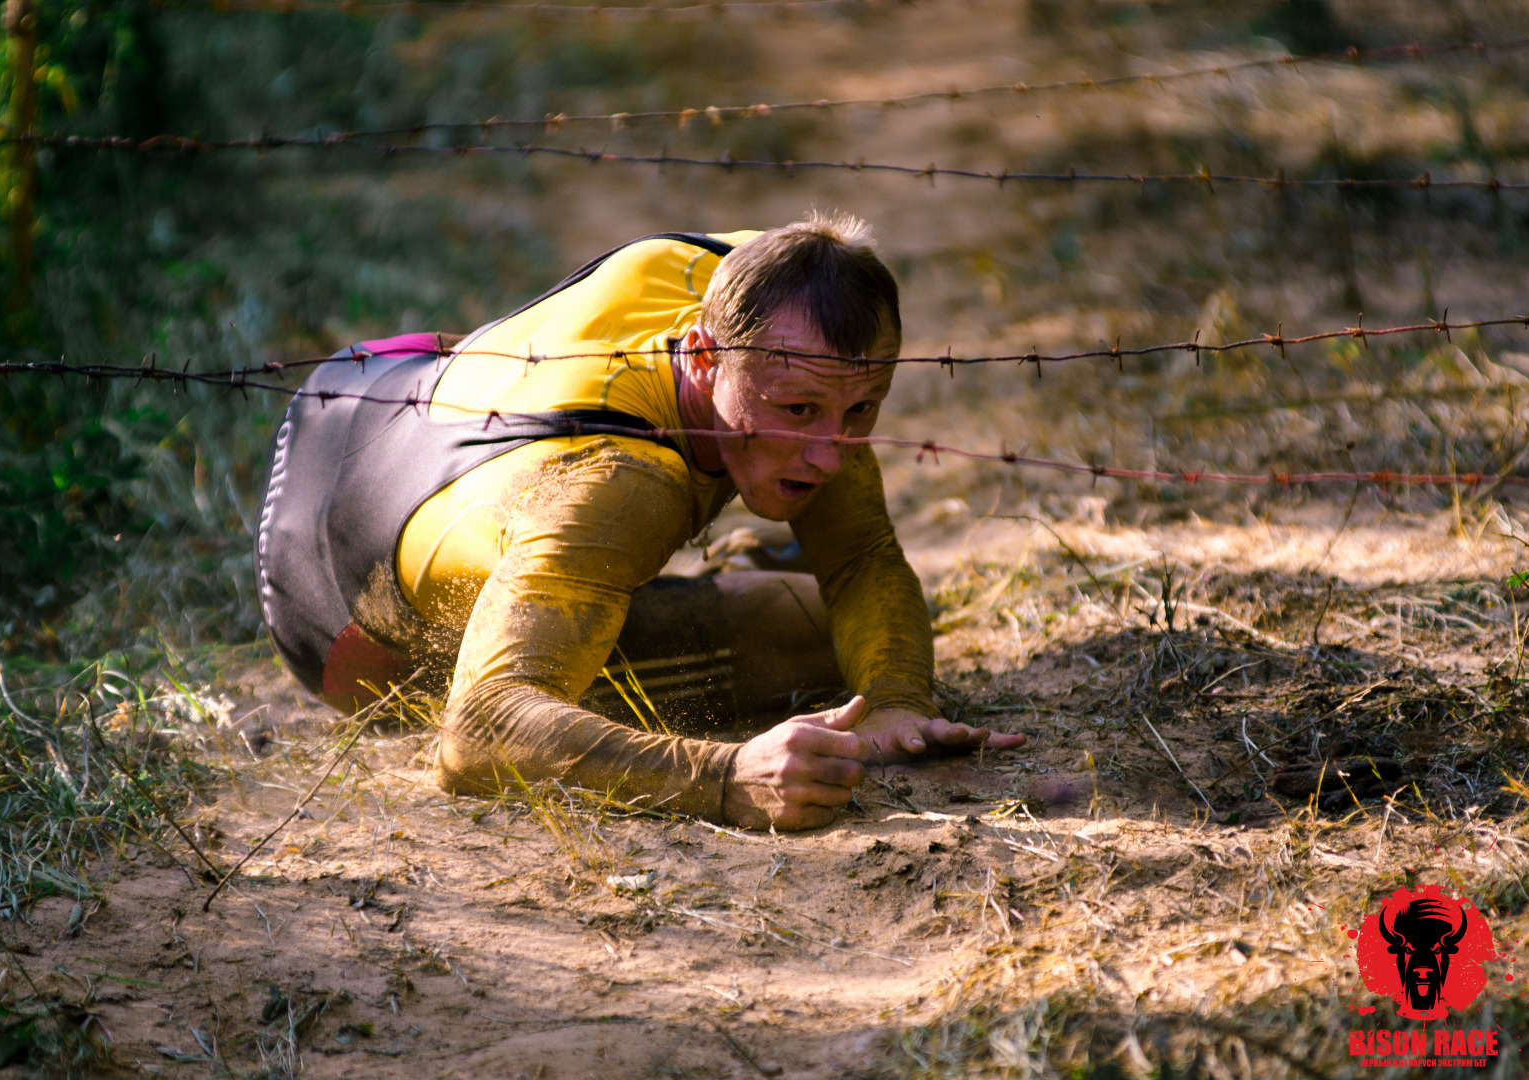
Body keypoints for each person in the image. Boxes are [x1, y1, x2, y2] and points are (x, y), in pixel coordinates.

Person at [254, 212, 1023, 830]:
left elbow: (863, 559)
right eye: (798, 412)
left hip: (371, 378)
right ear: (701, 358)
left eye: (862, 410)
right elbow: (479, 733)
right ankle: (724, 565)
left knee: (859, 630)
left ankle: (744, 545)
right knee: (810, 634)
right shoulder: (617, 485)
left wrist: (896, 701)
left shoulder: (764, 285)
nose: (831, 453)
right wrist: (724, 778)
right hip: (339, 626)